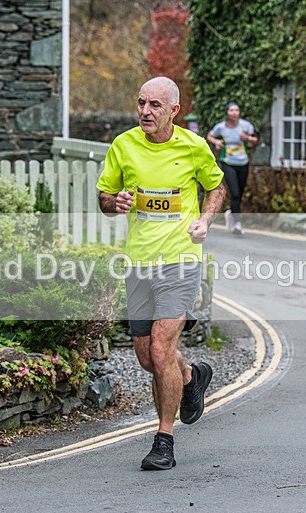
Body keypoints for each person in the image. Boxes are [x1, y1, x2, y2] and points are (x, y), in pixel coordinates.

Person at [97, 77, 226, 470]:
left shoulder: (193, 146)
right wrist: (113, 201)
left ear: (174, 110)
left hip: (180, 260)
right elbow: (104, 196)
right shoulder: (124, 145)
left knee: (159, 348)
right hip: (139, 263)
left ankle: (164, 440)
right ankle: (190, 376)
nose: (145, 111)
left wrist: (205, 220)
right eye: (140, 103)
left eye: (155, 105)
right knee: (147, 358)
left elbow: (216, 186)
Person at [206, 102, 259, 235]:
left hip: (243, 162)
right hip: (228, 162)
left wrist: (248, 138)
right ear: (227, 113)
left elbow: (256, 139)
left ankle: (231, 212)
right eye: (231, 110)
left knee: (239, 194)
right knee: (234, 193)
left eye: (237, 110)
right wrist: (217, 142)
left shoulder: (245, 125)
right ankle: (237, 223)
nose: (234, 113)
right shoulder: (221, 127)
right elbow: (210, 136)